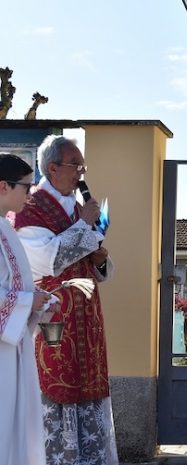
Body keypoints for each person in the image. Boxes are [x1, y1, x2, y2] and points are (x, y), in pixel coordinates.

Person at [13, 135, 118, 465]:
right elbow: (47, 261)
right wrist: (85, 226)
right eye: (76, 166)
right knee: (57, 390)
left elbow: (91, 263)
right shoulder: (30, 209)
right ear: (53, 168)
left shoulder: (75, 206)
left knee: (88, 392)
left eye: (82, 166)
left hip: (87, 317)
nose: (81, 174)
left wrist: (100, 259)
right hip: (54, 318)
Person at [0, 154, 50, 465]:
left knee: (15, 422)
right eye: (25, 188)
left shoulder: (7, 229)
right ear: (3, 186)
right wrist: (24, 302)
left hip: (12, 345)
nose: (29, 195)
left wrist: (36, 300)